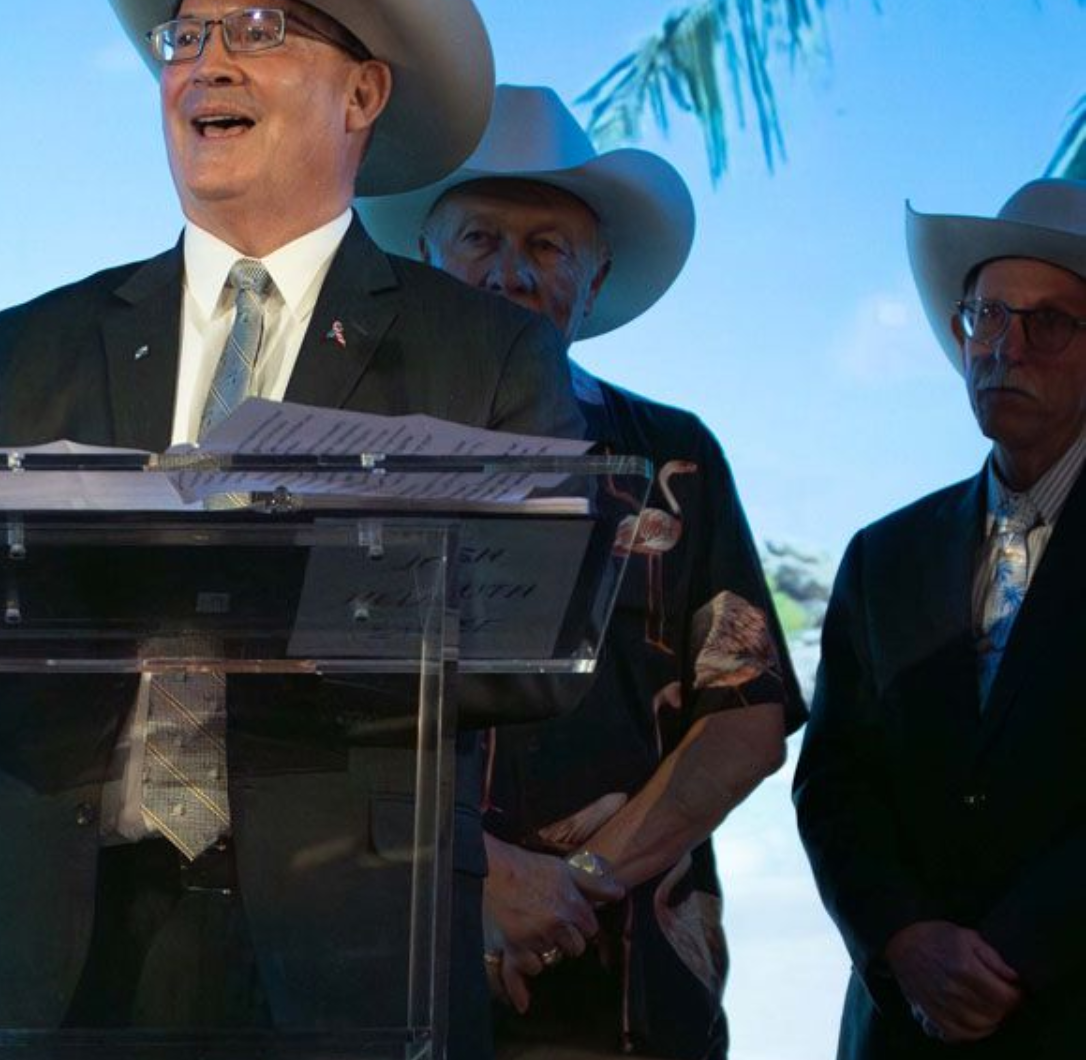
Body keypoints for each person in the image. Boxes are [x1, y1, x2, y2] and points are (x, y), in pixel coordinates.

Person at [0, 0, 585, 1056]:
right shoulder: (22, 349)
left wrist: (285, 594)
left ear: (362, 92)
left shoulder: (485, 355)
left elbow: (534, 647)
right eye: (183, 38)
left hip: (352, 946)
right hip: (54, 945)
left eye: (257, 32)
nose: (206, 66)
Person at [360, 84, 805, 1058]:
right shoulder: (345, 450)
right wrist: (468, 882)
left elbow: (746, 715)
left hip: (626, 986)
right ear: (422, 263)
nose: (508, 273)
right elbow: (291, 707)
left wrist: (570, 886)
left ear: (593, 279)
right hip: (379, 968)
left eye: (547, 247)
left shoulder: (672, 454)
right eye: (476, 238)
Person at [794, 178, 1086, 1058]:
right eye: (988, 317)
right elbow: (832, 783)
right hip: (900, 1031)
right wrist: (906, 941)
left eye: (1049, 323)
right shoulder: (884, 556)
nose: (1007, 347)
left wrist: (1009, 957)